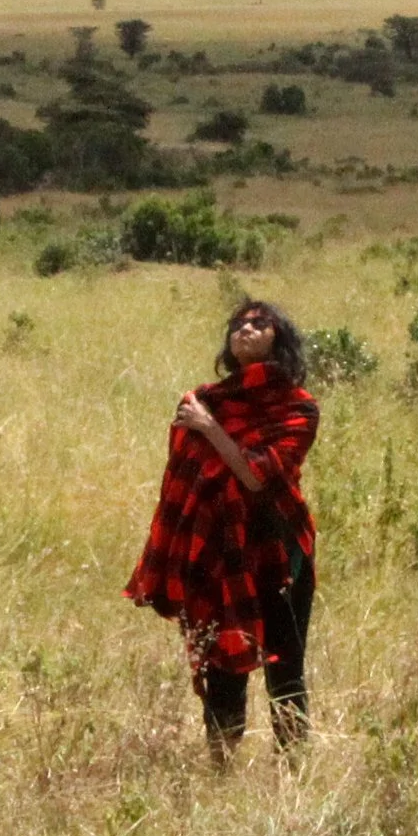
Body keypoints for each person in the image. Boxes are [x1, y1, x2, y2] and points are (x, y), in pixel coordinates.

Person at [126, 300, 320, 762]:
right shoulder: (204, 400)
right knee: (222, 665)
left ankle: (294, 771)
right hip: (217, 551)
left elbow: (256, 476)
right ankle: (221, 769)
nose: (245, 330)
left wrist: (210, 428)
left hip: (278, 550)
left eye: (259, 323)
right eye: (238, 324)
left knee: (285, 667)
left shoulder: (297, 407)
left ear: (280, 339)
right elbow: (183, 481)